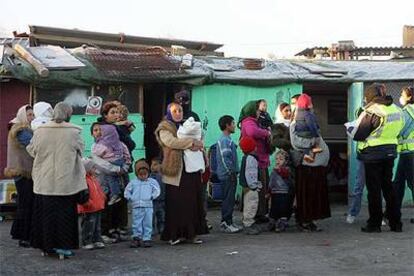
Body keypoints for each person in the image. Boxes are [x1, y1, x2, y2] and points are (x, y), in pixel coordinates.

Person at [27, 102, 88, 258]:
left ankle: (46, 247)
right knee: (65, 215)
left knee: (45, 215)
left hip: (44, 180)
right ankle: (63, 247)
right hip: (66, 181)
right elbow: (81, 150)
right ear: (69, 114)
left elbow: (32, 150)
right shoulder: (74, 132)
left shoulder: (40, 131)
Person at [353, 83, 404, 233]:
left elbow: (359, 134)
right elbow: (399, 129)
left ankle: (374, 224)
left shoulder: (372, 111)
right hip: (390, 153)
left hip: (373, 155)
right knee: (388, 188)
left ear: (370, 95)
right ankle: (396, 223)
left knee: (374, 191)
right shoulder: (395, 109)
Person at [155, 102, 207, 245]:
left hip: (191, 169)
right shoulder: (164, 127)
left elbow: (201, 139)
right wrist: (192, 143)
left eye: (180, 110)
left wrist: (198, 142)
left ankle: (192, 234)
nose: (178, 113)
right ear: (169, 112)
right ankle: (174, 235)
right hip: (176, 171)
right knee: (176, 204)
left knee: (192, 202)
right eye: (175, 110)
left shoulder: (188, 125)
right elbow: (171, 142)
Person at [290, 108, 331, 232]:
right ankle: (304, 221)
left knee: (314, 195)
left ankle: (310, 220)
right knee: (306, 195)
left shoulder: (311, 126)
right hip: (307, 166)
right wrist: (314, 141)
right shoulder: (294, 126)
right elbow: (296, 143)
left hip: (316, 166)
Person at [5, 105, 35, 248]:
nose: (32, 117)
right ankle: (24, 237)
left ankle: (19, 233)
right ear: (23, 115)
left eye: (32, 114)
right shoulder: (21, 130)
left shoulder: (18, 127)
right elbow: (34, 146)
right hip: (23, 172)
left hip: (22, 172)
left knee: (24, 204)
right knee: (26, 204)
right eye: (29, 115)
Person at [239, 101, 271, 223]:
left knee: (263, 189)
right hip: (256, 161)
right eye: (257, 110)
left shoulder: (254, 122)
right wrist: (266, 133)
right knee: (257, 189)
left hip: (261, 159)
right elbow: (253, 132)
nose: (259, 112)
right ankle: (255, 215)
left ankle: (260, 213)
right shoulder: (248, 122)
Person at [92, 124, 131, 205]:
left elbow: (96, 157)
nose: (99, 132)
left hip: (112, 173)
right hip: (105, 184)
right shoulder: (117, 142)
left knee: (112, 178)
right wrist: (126, 164)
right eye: (96, 130)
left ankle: (115, 194)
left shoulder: (100, 146)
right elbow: (126, 153)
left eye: (101, 130)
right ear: (92, 134)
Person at [125, 159, 160, 248]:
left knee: (147, 222)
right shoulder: (133, 182)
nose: (143, 176)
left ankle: (147, 238)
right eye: (141, 175)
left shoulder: (152, 182)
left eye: (145, 174)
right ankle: (137, 237)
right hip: (137, 206)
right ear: (137, 174)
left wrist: (152, 196)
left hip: (148, 206)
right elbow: (127, 191)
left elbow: (157, 190)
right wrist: (130, 197)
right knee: (136, 222)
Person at [216, 115, 241, 233]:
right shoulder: (224, 140)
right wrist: (231, 172)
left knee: (229, 199)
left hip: (229, 174)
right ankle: (226, 222)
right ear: (227, 125)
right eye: (233, 123)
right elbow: (225, 158)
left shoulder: (228, 140)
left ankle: (229, 221)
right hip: (228, 175)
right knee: (228, 199)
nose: (234, 126)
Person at [394, 86, 414, 222]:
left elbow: (399, 131)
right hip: (408, 153)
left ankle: (391, 214)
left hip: (409, 153)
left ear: (409, 97)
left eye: (402, 94)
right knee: (400, 184)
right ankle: (391, 214)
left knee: (399, 184)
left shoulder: (407, 112)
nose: (400, 97)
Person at [77, 158, 106, 250]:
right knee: (88, 225)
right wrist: (87, 202)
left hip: (96, 206)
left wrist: (102, 196)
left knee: (97, 225)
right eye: (93, 168)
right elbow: (83, 194)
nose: (95, 169)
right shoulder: (84, 180)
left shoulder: (93, 179)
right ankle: (87, 241)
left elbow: (98, 190)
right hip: (89, 207)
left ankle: (97, 239)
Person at [239, 136, 262, 235]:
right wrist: (254, 185)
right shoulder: (251, 158)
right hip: (251, 187)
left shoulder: (246, 157)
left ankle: (249, 221)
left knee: (248, 204)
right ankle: (248, 224)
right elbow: (251, 173)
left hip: (247, 186)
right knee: (251, 204)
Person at [293, 94, 323, 163]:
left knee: (306, 145)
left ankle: (307, 154)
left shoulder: (298, 113)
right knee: (316, 137)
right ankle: (314, 149)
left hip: (299, 133)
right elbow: (312, 125)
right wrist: (316, 133)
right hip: (306, 133)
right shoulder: (308, 114)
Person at [269, 149, 293, 232]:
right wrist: (269, 191)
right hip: (275, 192)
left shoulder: (286, 169)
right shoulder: (274, 170)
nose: (278, 161)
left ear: (286, 161)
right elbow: (271, 181)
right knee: (274, 208)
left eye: (281, 159)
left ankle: (282, 222)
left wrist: (278, 170)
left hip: (284, 193)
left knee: (283, 209)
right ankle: (273, 221)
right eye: (277, 159)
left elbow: (285, 174)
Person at [150, 158, 166, 235]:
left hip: (162, 199)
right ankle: (151, 228)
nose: (152, 167)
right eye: (152, 164)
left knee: (162, 215)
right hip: (153, 200)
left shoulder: (164, 176)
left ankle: (161, 227)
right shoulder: (150, 177)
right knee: (152, 215)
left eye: (155, 165)